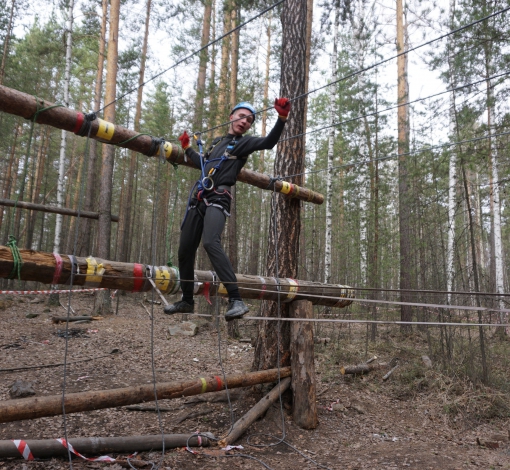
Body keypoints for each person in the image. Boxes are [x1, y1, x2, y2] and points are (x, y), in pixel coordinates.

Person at [164, 98, 291, 321]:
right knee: (184, 251)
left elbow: (269, 142)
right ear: (231, 116)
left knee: (211, 242)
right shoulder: (217, 142)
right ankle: (186, 300)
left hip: (219, 195)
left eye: (249, 120)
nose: (244, 122)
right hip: (200, 197)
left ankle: (236, 299)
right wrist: (186, 148)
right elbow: (201, 162)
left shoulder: (243, 144)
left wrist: (281, 118)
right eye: (242, 116)